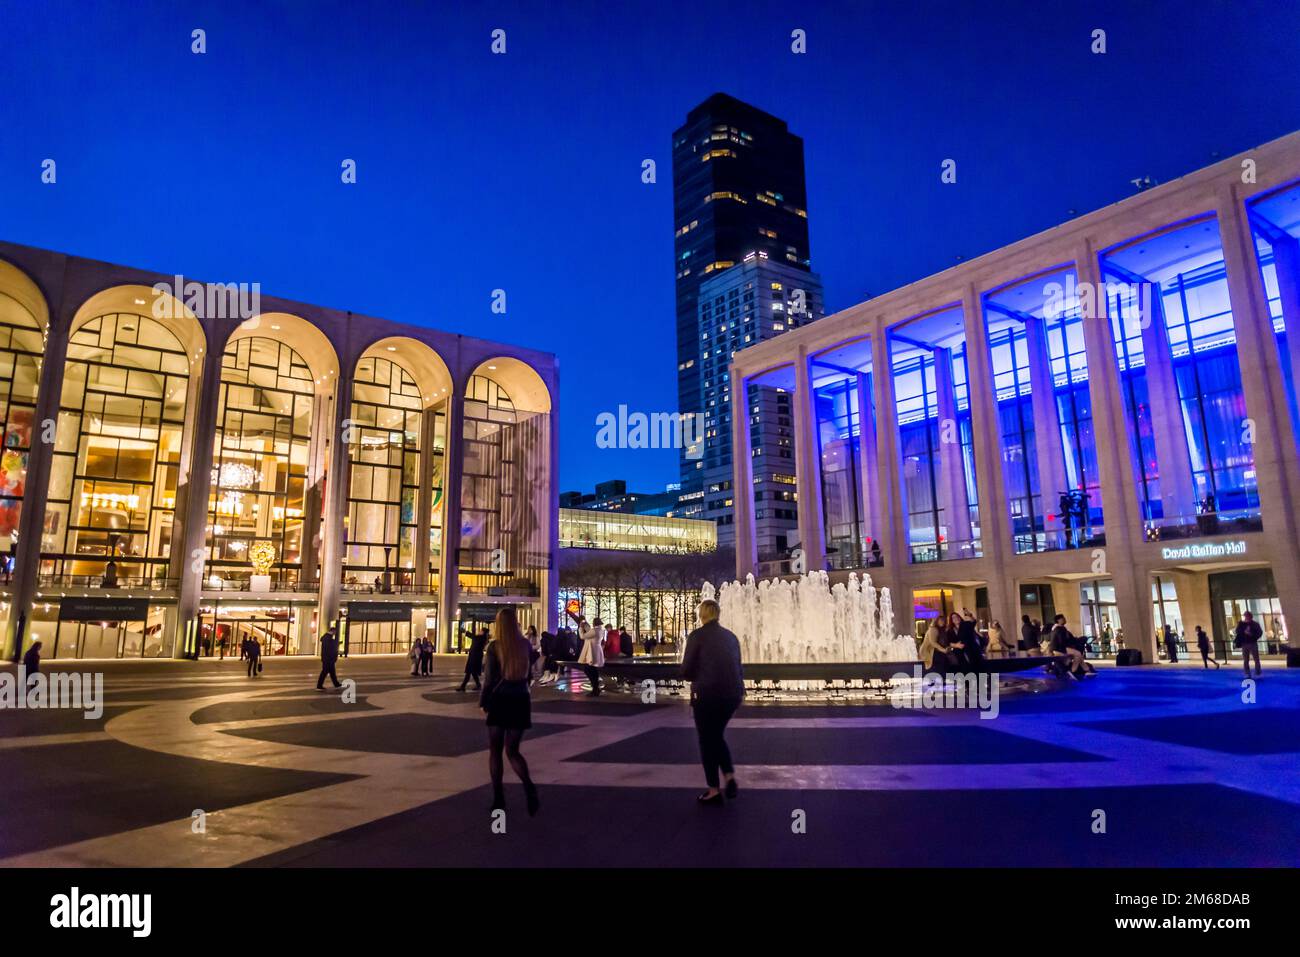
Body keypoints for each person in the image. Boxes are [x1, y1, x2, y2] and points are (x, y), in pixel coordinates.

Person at [681, 599, 744, 806]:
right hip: (732, 695)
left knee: (706, 740)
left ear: (702, 615)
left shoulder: (697, 636)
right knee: (715, 736)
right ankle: (729, 777)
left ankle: (713, 790)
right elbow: (738, 666)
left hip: (707, 695)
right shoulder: (731, 636)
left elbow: (687, 671)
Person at [479, 607, 540, 815]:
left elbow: (488, 680)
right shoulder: (524, 644)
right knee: (513, 751)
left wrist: (483, 702)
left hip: (500, 700)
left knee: (495, 751)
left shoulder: (495, 647)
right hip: (521, 700)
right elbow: (530, 675)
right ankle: (529, 787)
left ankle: (498, 799)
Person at [578, 616, 606, 696]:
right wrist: (586, 626)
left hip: (592, 652)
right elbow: (589, 632)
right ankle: (595, 688)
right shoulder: (600, 630)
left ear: (594, 623)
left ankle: (595, 688)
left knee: (588, 669)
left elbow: (582, 636)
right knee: (593, 670)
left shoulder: (594, 631)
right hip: (597, 651)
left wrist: (580, 628)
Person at [457, 627, 488, 692]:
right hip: (473, 656)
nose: (479, 631)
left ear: (483, 632)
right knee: (472, 672)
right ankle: (467, 686)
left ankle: (464, 686)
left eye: (480, 631)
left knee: (470, 671)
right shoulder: (480, 637)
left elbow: (473, 636)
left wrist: (466, 632)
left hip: (475, 657)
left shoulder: (482, 638)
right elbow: (474, 637)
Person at [1234, 611, 1263, 678]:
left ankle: (1257, 671)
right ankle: (1247, 672)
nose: (1246, 617)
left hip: (1252, 642)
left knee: (1256, 658)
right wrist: (1243, 631)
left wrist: (1252, 635)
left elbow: (1259, 633)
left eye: (1247, 616)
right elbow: (1237, 631)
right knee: (1246, 659)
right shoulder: (1241, 624)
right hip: (1245, 643)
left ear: (1250, 616)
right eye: (1246, 616)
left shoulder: (1255, 624)